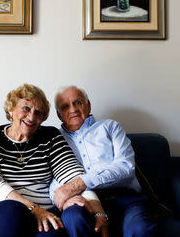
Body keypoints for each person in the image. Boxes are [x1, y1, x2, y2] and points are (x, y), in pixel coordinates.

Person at [0, 83, 107, 237]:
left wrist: (98, 212)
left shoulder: (50, 137)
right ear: (11, 109)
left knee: (54, 232)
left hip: (43, 216)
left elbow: (74, 176)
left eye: (38, 112)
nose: (32, 116)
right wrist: (35, 209)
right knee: (11, 211)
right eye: (26, 108)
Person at [50, 86, 157, 237]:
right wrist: (61, 198)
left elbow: (125, 168)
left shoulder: (110, 127)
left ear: (88, 105)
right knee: (73, 218)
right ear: (59, 115)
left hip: (123, 197)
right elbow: (53, 182)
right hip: (82, 201)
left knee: (139, 230)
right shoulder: (54, 140)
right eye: (65, 106)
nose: (73, 109)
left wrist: (80, 183)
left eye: (78, 102)